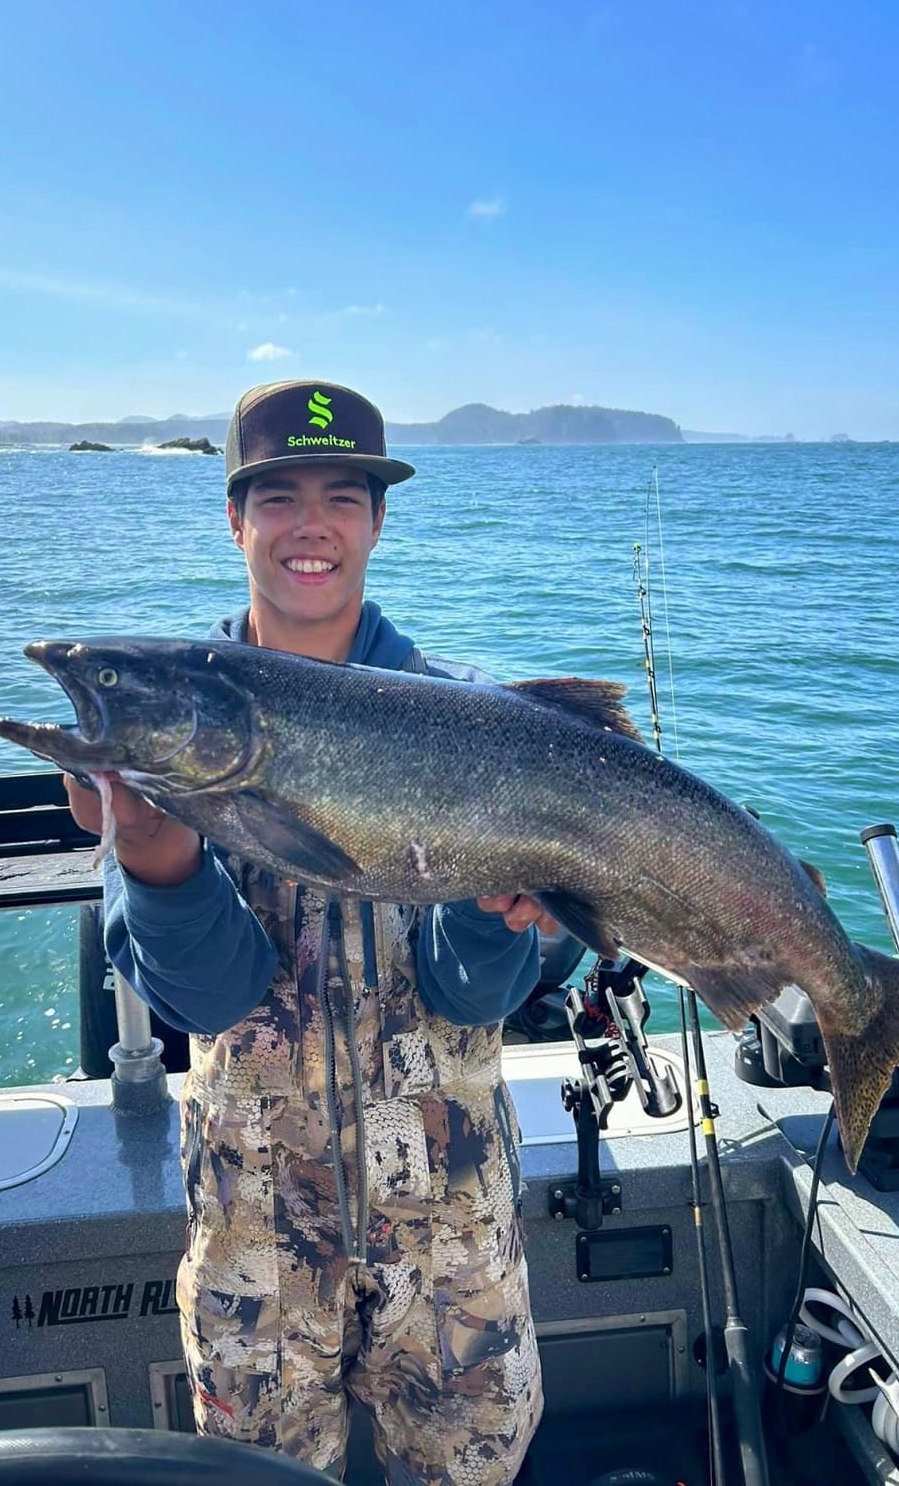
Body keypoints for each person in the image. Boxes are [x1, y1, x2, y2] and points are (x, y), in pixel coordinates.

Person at [66, 380, 552, 1485]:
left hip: (453, 1235)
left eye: (343, 496)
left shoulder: (474, 721)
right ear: (234, 520)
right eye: (276, 496)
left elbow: (473, 997)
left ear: (377, 522)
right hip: (254, 1243)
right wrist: (153, 853)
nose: (311, 525)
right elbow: (209, 1001)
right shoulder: (171, 721)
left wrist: (492, 914)